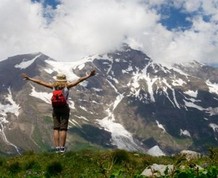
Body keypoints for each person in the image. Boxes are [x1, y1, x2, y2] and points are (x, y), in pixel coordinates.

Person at [21, 70, 96, 153]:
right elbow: (79, 80)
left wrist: (29, 78)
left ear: (57, 79)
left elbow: (40, 82)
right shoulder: (67, 86)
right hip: (64, 108)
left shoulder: (53, 86)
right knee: (63, 129)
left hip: (55, 108)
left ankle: (57, 148)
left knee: (56, 128)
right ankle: (62, 149)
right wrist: (89, 75)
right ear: (64, 80)